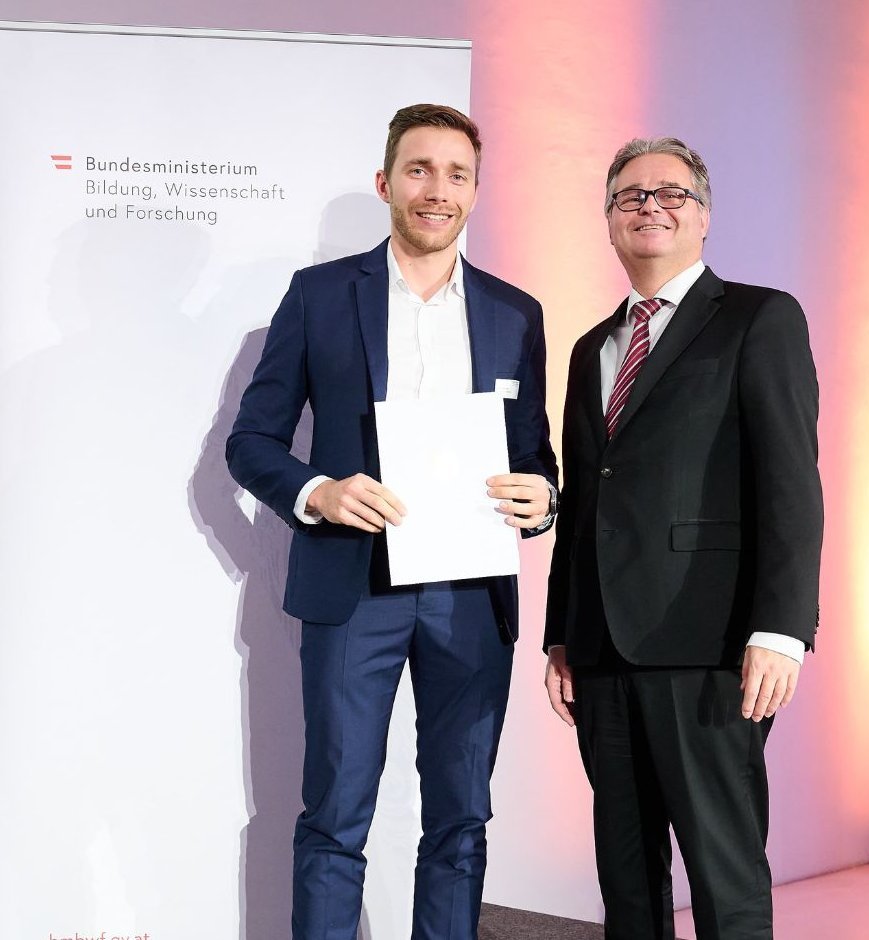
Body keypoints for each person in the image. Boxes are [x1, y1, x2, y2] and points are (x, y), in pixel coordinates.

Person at [227, 103, 558, 940]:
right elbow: (251, 442)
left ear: (476, 190)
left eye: (456, 174)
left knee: (461, 817)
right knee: (335, 815)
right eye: (419, 170)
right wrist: (318, 492)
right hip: (353, 588)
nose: (437, 189)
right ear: (386, 182)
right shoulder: (319, 296)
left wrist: (544, 499)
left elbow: (536, 455)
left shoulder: (516, 313)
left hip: (471, 594)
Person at [543, 137, 823, 940]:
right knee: (627, 883)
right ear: (609, 221)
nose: (649, 206)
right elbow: (587, 499)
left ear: (704, 216)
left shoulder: (760, 317)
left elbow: (790, 482)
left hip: (710, 646)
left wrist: (781, 629)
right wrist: (563, 634)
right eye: (629, 196)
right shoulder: (592, 347)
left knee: (723, 877)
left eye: (671, 193)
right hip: (602, 654)